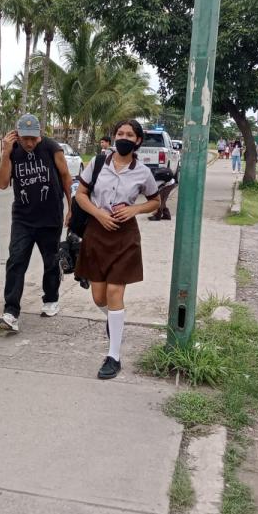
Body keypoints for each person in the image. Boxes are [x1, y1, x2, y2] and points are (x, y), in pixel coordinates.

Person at [75, 119, 160, 379]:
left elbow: (155, 201)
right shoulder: (98, 163)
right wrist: (98, 215)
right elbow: (81, 194)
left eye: (129, 134)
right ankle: (115, 321)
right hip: (97, 233)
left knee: (114, 292)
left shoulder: (143, 172)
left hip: (125, 237)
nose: (123, 137)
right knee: (99, 297)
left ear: (138, 141)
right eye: (120, 133)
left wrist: (135, 208)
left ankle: (114, 356)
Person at [0, 114, 73, 333]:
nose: (29, 143)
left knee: (50, 261)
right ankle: (11, 312)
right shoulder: (13, 152)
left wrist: (71, 208)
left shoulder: (51, 147)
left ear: (40, 135)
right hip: (23, 218)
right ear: (16, 135)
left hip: (50, 217)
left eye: (33, 138)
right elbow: (2, 184)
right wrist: (6, 153)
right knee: (16, 261)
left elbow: (66, 177)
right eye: (24, 138)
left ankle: (51, 299)